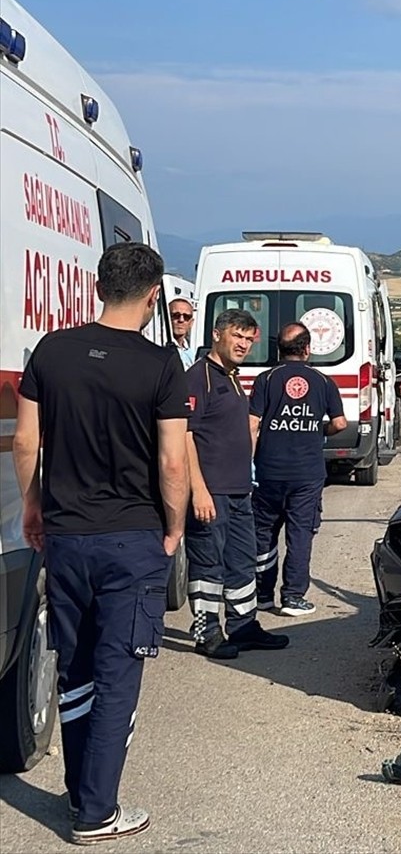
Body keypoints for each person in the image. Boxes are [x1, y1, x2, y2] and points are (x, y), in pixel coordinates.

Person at [13, 242, 189, 843]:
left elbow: (26, 442)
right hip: (132, 539)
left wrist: (33, 505)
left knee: (76, 667)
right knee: (117, 675)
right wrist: (175, 526)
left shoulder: (52, 350)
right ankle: (97, 813)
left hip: (66, 536)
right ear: (153, 296)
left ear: (97, 288)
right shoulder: (162, 364)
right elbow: (172, 462)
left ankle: (80, 790)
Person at [185, 309, 288, 658]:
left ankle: (244, 626)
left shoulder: (231, 375)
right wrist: (198, 489)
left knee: (242, 561)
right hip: (211, 492)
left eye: (248, 338)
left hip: (240, 490)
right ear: (217, 335)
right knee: (207, 565)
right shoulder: (199, 377)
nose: (243, 344)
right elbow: (184, 436)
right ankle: (207, 632)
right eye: (237, 336)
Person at [249, 323, 347, 615]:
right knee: (300, 534)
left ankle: (262, 595)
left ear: (279, 349)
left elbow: (252, 425)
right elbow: (340, 423)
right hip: (307, 474)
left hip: (268, 471)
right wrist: (319, 430)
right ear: (307, 348)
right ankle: (292, 596)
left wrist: (247, 463)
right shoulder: (323, 381)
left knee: (264, 533)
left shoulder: (266, 379)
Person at [168, 297, 196, 368]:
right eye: (176, 315)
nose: (181, 320)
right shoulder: (160, 348)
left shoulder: (192, 354)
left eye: (186, 317)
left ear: (191, 323)